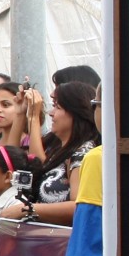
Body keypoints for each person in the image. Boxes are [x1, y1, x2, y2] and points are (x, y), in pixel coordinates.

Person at [30, 82, 100, 224]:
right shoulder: (59, 150)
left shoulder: (83, 152)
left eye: (57, 107)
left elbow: (79, 206)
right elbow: (36, 160)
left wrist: (27, 210)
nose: (51, 112)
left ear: (77, 112)